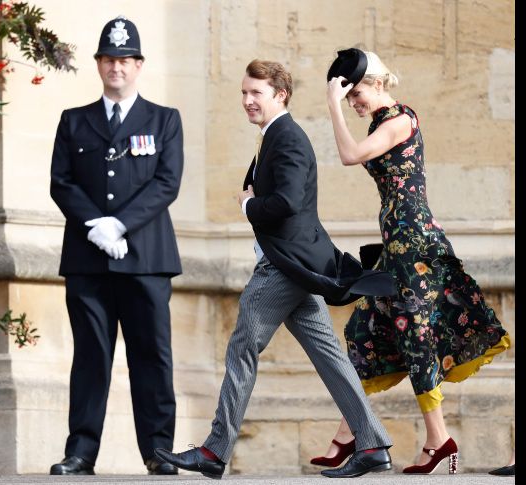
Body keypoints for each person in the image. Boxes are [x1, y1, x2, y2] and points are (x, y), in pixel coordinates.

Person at [155, 59, 398, 480]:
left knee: (242, 347)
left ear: (280, 95)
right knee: (328, 355)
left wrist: (249, 204)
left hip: (283, 267)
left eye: (257, 93)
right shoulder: (274, 136)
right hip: (297, 265)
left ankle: (213, 452)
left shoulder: (286, 138)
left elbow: (286, 202)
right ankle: (373, 444)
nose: (247, 100)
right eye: (244, 92)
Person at [314, 48, 512, 475]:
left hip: (413, 244)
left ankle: (436, 439)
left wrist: (332, 105)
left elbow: (350, 155)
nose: (353, 101)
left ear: (377, 83)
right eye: (348, 97)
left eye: (356, 92)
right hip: (397, 245)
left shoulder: (400, 120)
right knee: (364, 331)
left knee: (415, 334)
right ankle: (351, 433)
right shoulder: (382, 123)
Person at [48, 15, 183, 476]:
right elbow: (61, 183)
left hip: (146, 258)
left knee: (152, 356)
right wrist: (95, 226)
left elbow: (167, 183)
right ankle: (81, 452)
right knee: (90, 357)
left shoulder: (164, 120)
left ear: (139, 65)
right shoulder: (74, 121)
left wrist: (120, 225)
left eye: (125, 59)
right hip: (88, 259)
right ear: (98, 64)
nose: (116, 67)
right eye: (108, 59)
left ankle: (159, 451)